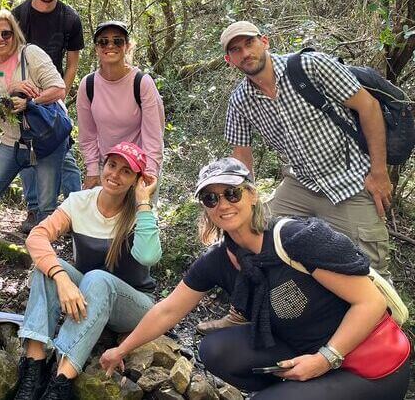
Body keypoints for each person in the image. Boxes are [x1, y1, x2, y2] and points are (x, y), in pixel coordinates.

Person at [99, 157, 411, 399]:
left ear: (252, 196)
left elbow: (371, 303)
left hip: (367, 364)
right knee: (214, 350)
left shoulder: (294, 239)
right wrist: (121, 350)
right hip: (300, 350)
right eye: (211, 199)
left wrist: (324, 360)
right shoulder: (219, 260)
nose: (222, 204)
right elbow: (168, 310)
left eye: (231, 193)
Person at [200, 21, 393, 334]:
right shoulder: (241, 101)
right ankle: (244, 311)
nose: (245, 53)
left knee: (369, 265)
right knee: (249, 234)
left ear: (265, 41)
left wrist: (379, 171)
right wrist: (239, 201)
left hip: (350, 180)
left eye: (249, 43)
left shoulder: (310, 67)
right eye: (235, 50)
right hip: (301, 182)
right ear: (229, 60)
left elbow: (368, 107)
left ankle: (382, 336)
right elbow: (241, 161)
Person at [14, 142, 161, 399]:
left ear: (137, 181)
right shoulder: (80, 202)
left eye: (126, 171)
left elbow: (149, 256)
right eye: (112, 165)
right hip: (90, 296)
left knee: (98, 278)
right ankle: (33, 369)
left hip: (134, 306)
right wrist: (61, 278)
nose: (115, 175)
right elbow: (36, 237)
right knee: (47, 268)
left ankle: (61, 382)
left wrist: (144, 202)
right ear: (103, 166)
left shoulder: (141, 213)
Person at [0, 9, 65, 259]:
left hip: (46, 139)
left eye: (5, 33)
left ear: (14, 34)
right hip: (13, 142)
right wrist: (11, 92)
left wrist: (31, 101)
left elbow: (59, 88)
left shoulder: (31, 55)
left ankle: (44, 258)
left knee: (47, 206)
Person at [12, 0, 85, 233]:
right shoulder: (20, 15)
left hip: (53, 96)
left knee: (62, 149)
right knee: (26, 151)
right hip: (24, 96)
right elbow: (9, 54)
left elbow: (73, 63)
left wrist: (59, 95)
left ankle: (76, 208)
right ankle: (34, 211)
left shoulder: (69, 18)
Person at [77, 21, 165, 190]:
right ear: (96, 48)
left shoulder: (141, 83)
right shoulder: (88, 85)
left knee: (140, 216)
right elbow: (87, 136)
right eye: (103, 41)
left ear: (126, 46)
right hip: (108, 167)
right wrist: (93, 170)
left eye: (117, 41)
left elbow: (154, 137)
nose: (110, 45)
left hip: (139, 167)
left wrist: (149, 176)